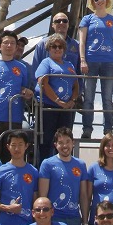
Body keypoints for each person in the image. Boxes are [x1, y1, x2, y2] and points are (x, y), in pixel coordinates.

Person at [0, 27, 34, 152]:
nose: (9, 46)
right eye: (6, 43)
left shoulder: (22, 68)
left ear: (15, 47)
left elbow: (23, 90)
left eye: (12, 43)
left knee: (12, 157)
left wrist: (27, 93)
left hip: (15, 120)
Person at [77, 0, 113, 140]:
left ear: (106, 0)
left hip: (109, 62)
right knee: (88, 97)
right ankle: (87, 129)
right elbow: (81, 42)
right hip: (91, 61)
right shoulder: (87, 19)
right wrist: (82, 59)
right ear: (93, 2)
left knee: (107, 98)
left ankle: (108, 129)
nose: (100, 1)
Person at [34, 33, 79, 163]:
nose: (57, 49)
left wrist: (73, 100)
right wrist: (58, 101)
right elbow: (43, 82)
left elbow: (76, 84)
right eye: (54, 46)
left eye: (60, 46)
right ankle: (44, 167)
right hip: (49, 107)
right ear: (49, 48)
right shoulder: (46, 62)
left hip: (66, 109)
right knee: (47, 140)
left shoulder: (69, 65)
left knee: (65, 139)